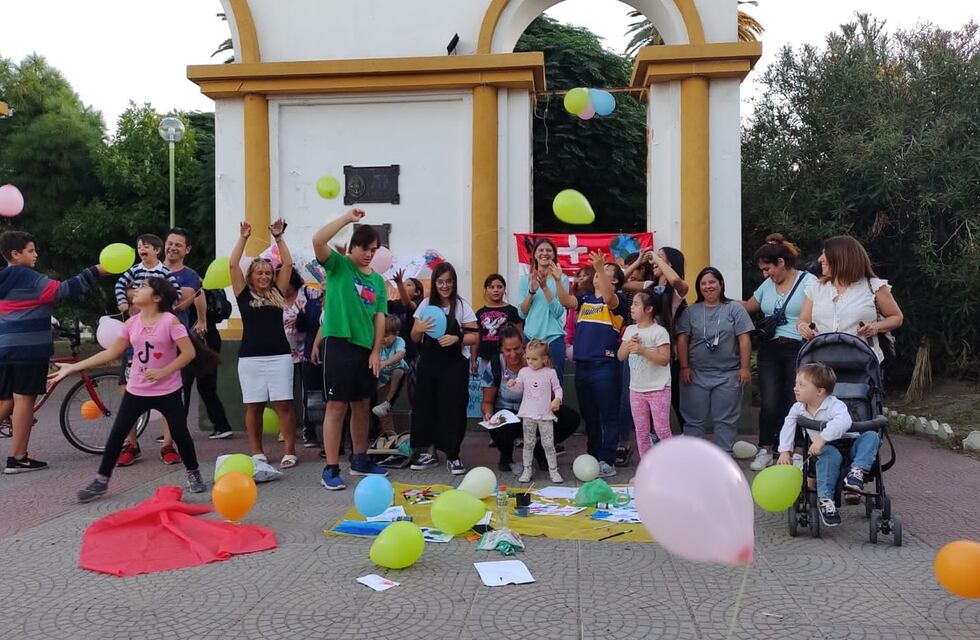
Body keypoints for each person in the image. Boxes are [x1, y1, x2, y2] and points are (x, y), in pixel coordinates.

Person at [48, 277, 207, 502]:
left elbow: (189, 353)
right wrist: (74, 367)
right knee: (117, 435)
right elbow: (111, 353)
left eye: (143, 286)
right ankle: (101, 480)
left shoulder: (171, 322)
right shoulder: (132, 323)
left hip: (167, 391)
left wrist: (165, 371)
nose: (136, 289)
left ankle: (194, 473)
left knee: (180, 434)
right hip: (137, 390)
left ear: (157, 297)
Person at [0, 231, 106, 473]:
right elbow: (62, 290)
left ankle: (18, 455)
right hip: (30, 350)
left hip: (5, 348)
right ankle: (18, 458)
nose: (36, 254)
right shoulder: (27, 276)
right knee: (24, 400)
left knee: (5, 401)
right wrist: (95, 272)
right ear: (15, 254)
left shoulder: (2, 278)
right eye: (30, 250)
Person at [312, 209, 389, 489]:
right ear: (353, 247)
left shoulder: (378, 281)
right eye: (364, 248)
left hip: (364, 348)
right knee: (336, 405)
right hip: (339, 343)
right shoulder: (339, 267)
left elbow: (380, 316)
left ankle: (360, 460)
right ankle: (331, 468)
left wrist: (376, 350)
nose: (369, 254)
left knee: (361, 404)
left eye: (373, 250)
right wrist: (346, 219)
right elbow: (318, 240)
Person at [742, 234, 817, 471]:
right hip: (770, 349)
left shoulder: (808, 281)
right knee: (770, 401)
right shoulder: (767, 285)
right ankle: (766, 448)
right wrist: (717, 299)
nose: (766, 274)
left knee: (794, 399)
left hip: (798, 347)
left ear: (781, 263)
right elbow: (748, 306)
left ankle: (793, 450)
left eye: (768, 269)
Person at [230, 218, 298, 469]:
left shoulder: (278, 292)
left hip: (279, 356)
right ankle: (257, 451)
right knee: (254, 406)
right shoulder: (243, 294)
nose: (264, 276)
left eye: (268, 273)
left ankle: (289, 450)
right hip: (250, 358)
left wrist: (279, 237)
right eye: (259, 272)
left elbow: (288, 263)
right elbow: (232, 264)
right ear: (251, 276)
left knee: (284, 404)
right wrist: (244, 238)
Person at [776, 362, 878, 527]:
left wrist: (822, 438)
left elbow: (843, 421)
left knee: (872, 436)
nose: (795, 388)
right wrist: (785, 450)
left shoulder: (834, 405)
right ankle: (825, 499)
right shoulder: (798, 408)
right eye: (796, 384)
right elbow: (788, 426)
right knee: (829, 454)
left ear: (819, 391)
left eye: (801, 385)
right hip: (826, 449)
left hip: (849, 443)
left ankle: (857, 471)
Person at [556, 251, 626, 478]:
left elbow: (608, 298)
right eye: (598, 271)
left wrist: (598, 268)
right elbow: (566, 301)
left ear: (614, 280)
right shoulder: (585, 300)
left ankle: (607, 459)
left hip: (605, 366)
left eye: (605, 272)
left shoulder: (618, 300)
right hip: (583, 367)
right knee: (591, 416)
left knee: (608, 415)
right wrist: (558, 280)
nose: (599, 273)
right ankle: (593, 456)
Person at [410, 262, 479, 475]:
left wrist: (456, 338)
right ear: (434, 283)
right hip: (429, 365)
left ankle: (452, 454)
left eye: (449, 281)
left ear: (454, 282)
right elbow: (414, 337)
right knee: (426, 408)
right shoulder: (425, 305)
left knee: (453, 409)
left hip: (454, 367)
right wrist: (419, 329)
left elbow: (474, 336)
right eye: (440, 282)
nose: (445, 286)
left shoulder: (462, 306)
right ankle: (429, 452)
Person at [480, 324, 579, 473]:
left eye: (517, 348)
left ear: (523, 346)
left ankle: (540, 451)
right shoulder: (495, 364)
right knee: (498, 426)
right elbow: (487, 401)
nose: (513, 354)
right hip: (508, 412)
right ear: (501, 349)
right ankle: (506, 456)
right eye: (508, 350)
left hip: (536, 411)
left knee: (571, 419)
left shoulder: (535, 361)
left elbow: (552, 393)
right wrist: (488, 414)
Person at [165, 227, 233, 441]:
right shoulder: (155, 271)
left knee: (188, 383)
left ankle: (180, 429)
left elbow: (195, 295)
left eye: (178, 245)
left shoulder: (190, 276)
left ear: (187, 250)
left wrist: (202, 320)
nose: (173, 248)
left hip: (196, 337)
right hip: (171, 338)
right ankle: (216, 425)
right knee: (183, 384)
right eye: (170, 243)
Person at [676, 267, 754, 454]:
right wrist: (684, 366)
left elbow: (744, 338)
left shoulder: (734, 309)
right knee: (694, 419)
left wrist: (745, 368)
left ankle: (723, 457)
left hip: (728, 374)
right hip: (696, 373)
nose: (708, 286)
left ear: (721, 285)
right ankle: (692, 456)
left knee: (725, 420)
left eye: (712, 282)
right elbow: (682, 339)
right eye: (703, 283)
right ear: (698, 287)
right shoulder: (690, 311)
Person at [798, 235, 904, 365]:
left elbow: (896, 317)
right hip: (820, 363)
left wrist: (875, 327)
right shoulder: (816, 287)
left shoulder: (874, 286)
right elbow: (803, 320)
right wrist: (803, 327)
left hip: (862, 364)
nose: (820, 260)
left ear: (841, 259)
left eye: (825, 255)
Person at [625, 247, 688, 432]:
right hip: (641, 351)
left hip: (663, 351)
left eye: (660, 258)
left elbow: (676, 279)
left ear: (670, 264)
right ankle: (650, 442)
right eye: (653, 258)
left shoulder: (677, 290)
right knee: (644, 399)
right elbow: (619, 283)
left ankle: (682, 440)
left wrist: (655, 258)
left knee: (672, 398)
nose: (653, 261)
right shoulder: (648, 286)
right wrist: (638, 262)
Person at [618, 290, 672, 458]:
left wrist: (642, 350)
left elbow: (664, 359)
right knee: (641, 432)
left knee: (662, 430)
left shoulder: (659, 331)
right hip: (636, 390)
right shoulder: (629, 330)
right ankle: (646, 471)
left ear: (648, 309)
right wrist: (629, 345)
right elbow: (620, 356)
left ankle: (673, 466)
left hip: (659, 388)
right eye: (631, 304)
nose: (631, 307)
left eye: (636, 304)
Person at [517, 238, 576, 380]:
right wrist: (531, 291)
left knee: (555, 386)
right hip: (531, 339)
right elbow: (521, 313)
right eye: (541, 250)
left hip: (554, 340)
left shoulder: (561, 279)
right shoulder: (526, 280)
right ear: (535, 255)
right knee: (530, 384)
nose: (545, 253)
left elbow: (559, 312)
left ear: (554, 255)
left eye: (549, 250)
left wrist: (544, 287)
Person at [507, 339, 563, 483]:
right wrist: (512, 385)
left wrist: (557, 399)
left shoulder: (550, 372)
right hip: (528, 414)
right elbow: (519, 388)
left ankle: (554, 471)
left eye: (534, 359)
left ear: (544, 359)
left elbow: (557, 388)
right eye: (528, 358)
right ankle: (527, 470)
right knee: (528, 443)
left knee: (548, 444)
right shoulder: (524, 372)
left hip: (545, 415)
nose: (530, 361)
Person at [113, 234, 181, 315]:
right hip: (136, 311)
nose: (141, 249)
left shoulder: (164, 271)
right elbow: (120, 284)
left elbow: (177, 291)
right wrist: (122, 301)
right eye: (139, 247)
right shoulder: (135, 269)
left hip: (156, 312)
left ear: (157, 250)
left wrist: (169, 305)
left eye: (146, 247)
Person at [471, 273, 521, 376]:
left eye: (499, 287)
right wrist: (473, 360)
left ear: (504, 289)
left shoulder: (512, 311)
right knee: (487, 386)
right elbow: (476, 338)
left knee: (506, 386)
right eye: (491, 287)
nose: (496, 290)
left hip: (506, 358)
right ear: (486, 290)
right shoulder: (480, 312)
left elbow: (520, 335)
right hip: (485, 357)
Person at [371, 314, 409, 438]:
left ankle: (388, 402)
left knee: (398, 372)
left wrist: (384, 364)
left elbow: (400, 354)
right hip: (383, 381)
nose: (383, 339)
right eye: (381, 335)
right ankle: (390, 436)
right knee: (383, 412)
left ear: (396, 334)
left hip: (398, 377)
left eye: (386, 336)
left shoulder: (399, 341)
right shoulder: (379, 344)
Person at [389, 270, 425, 365]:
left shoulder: (420, 304)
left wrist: (399, 283)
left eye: (408, 285)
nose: (404, 286)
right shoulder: (394, 304)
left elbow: (408, 304)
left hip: (411, 352)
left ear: (417, 292)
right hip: (393, 350)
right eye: (404, 284)